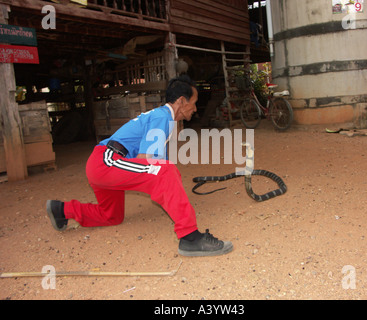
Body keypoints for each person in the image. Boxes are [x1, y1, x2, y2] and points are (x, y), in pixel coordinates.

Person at [46, 75, 233, 257]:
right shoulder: (163, 117)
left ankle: (62, 210)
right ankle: (190, 238)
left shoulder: (162, 117)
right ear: (182, 101)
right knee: (164, 171)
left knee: (111, 216)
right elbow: (149, 162)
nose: (195, 108)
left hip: (106, 164)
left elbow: (152, 165)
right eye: (194, 102)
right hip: (107, 162)